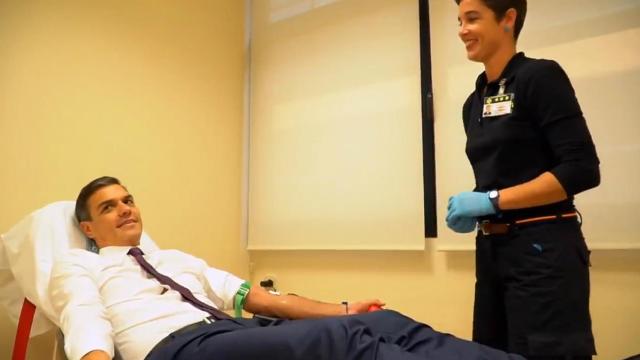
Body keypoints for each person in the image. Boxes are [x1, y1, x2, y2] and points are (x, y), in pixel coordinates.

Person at [50, 176, 526, 360]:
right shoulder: (77, 265)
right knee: (343, 343)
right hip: (175, 349)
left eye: (129, 199)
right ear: (89, 229)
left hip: (230, 331)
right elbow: (84, 320)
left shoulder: (174, 260)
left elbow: (255, 298)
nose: (127, 209)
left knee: (381, 321)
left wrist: (343, 308)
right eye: (110, 207)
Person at [446, 0, 600, 359]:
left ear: (508, 19)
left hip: (542, 251)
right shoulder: (474, 101)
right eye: (459, 21)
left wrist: (492, 201)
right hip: (492, 252)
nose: (462, 30)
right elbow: (506, 173)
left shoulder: (539, 77)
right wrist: (476, 204)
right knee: (489, 352)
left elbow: (581, 168)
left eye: (472, 18)